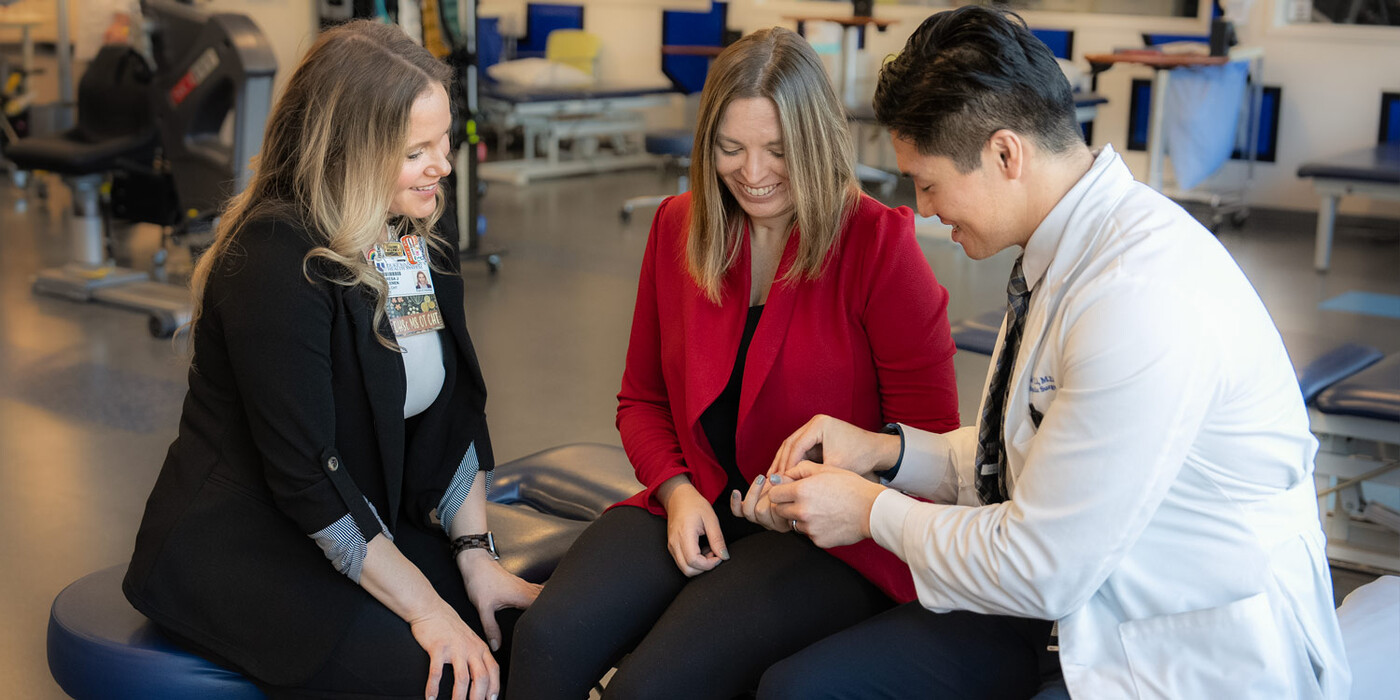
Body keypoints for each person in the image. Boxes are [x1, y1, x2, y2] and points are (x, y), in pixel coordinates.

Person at [753, 7, 1351, 699]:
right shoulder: (1067, 250)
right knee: (801, 688)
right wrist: (885, 452)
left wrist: (868, 511)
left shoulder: (1138, 297)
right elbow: (1040, 450)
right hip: (1077, 609)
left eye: (928, 183)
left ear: (1006, 154)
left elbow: (1042, 565)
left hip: (1187, 652)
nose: (920, 210)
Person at [507, 26, 960, 698]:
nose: (751, 173)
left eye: (777, 150)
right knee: (546, 638)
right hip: (698, 501)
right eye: (730, 148)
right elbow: (643, 401)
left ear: (816, 142)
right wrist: (678, 490)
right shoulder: (677, 226)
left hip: (831, 542)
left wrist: (820, 500)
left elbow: (930, 457)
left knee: (651, 687)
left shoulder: (878, 246)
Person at [123, 21, 539, 700]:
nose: (442, 166)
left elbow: (446, 413)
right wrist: (429, 611)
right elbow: (307, 483)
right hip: (250, 552)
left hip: (358, 515)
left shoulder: (404, 242)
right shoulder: (275, 261)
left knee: (525, 636)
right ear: (349, 153)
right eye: (415, 152)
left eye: (442, 144)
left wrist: (475, 557)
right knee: (442, 678)